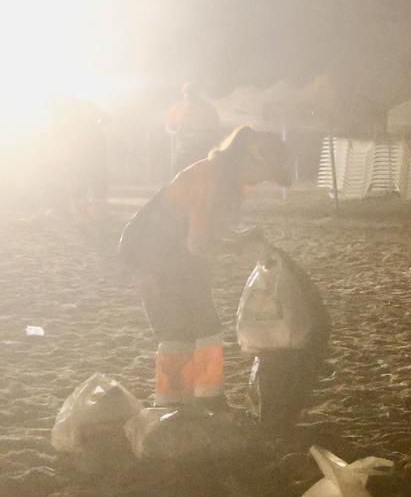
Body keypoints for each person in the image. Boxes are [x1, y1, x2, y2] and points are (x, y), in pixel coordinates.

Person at [118, 126, 291, 409]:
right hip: (154, 258)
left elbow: (208, 231)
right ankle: (181, 404)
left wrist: (238, 238)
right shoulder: (209, 180)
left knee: (197, 328)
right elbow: (197, 243)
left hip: (176, 257)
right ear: (248, 160)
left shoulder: (231, 180)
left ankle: (191, 402)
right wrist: (232, 247)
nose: (262, 181)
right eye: (263, 173)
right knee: (182, 331)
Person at [164, 83, 221, 176]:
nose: (188, 96)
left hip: (202, 148)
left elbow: (214, 130)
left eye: (191, 93)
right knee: (178, 171)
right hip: (182, 148)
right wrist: (175, 133)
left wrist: (199, 134)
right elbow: (169, 127)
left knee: (201, 172)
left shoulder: (208, 109)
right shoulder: (178, 109)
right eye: (186, 93)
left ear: (198, 94)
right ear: (183, 94)